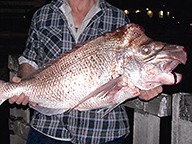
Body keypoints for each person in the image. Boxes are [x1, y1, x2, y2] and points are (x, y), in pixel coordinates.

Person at [9, 0, 163, 143]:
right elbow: (30, 59)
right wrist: (24, 85)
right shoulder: (43, 15)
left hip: (103, 131)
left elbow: (134, 63)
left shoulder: (117, 17)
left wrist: (145, 83)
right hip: (48, 128)